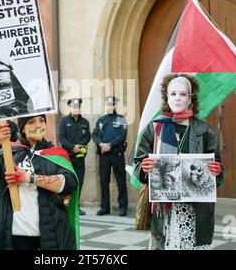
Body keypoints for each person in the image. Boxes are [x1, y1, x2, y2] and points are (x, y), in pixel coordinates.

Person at [133, 73, 224, 250]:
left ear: (190, 99)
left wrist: (217, 171)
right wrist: (144, 168)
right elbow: (138, 164)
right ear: (167, 97)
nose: (177, 98)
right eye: (173, 93)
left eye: (182, 94)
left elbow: (217, 167)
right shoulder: (153, 128)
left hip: (194, 210)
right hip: (164, 210)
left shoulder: (204, 130)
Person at [0, 114, 79, 250]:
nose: (38, 125)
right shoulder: (8, 152)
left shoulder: (55, 153)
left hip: (50, 231)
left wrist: (27, 178)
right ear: (23, 129)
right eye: (31, 122)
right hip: (14, 232)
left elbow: (69, 183)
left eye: (42, 120)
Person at [92, 96, 128, 216]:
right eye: (108, 105)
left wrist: (110, 145)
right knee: (103, 181)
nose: (110, 107)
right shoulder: (101, 120)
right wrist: (101, 144)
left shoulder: (121, 119)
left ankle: (122, 207)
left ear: (115, 106)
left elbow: (123, 135)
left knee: (121, 181)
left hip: (117, 154)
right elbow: (94, 135)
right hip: (104, 156)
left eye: (112, 105)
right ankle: (105, 207)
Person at [58, 98, 91, 215]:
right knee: (67, 182)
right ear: (70, 108)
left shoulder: (85, 122)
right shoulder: (64, 121)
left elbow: (87, 137)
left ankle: (76, 206)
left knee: (79, 182)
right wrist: (72, 147)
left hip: (80, 158)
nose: (75, 109)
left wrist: (79, 146)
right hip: (68, 157)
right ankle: (66, 204)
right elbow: (61, 138)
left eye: (77, 107)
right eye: (73, 107)